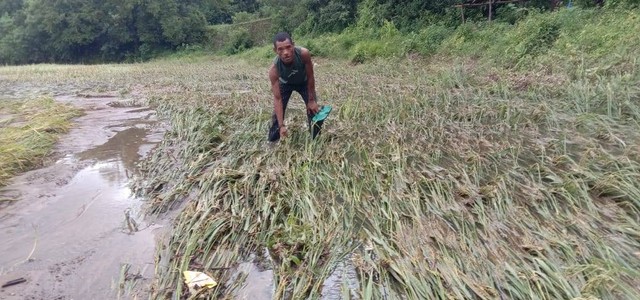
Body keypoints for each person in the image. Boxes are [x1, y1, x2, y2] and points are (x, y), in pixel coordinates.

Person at [268, 32, 322, 142]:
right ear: (275, 51)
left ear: (293, 45)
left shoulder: (304, 54)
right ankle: (273, 141)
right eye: (280, 49)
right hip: (285, 84)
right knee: (276, 119)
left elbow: (310, 76)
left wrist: (311, 100)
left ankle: (315, 141)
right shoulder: (274, 70)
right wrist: (281, 125)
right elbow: (277, 99)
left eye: (288, 47)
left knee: (313, 112)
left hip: (303, 82)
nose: (286, 53)